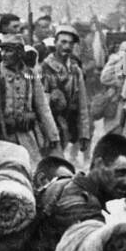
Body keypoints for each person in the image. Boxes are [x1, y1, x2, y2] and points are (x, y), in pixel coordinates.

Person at [0, 33, 60, 167]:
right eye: (3, 50)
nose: (4, 54)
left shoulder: (31, 76)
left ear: (19, 53)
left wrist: (53, 135)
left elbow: (43, 108)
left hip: (25, 139)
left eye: (9, 50)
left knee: (34, 173)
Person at [41, 24, 92, 163]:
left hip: (65, 127)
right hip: (44, 128)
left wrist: (84, 134)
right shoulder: (43, 68)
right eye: (63, 42)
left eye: (70, 43)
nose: (67, 46)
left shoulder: (75, 70)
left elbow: (82, 105)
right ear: (55, 42)